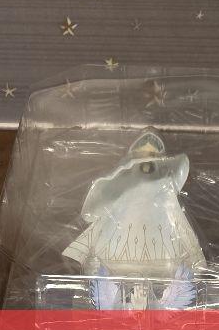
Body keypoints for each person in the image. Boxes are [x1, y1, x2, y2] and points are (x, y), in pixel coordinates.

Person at [62, 130, 205, 310]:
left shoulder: (165, 192)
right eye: (142, 155)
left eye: (152, 156)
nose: (147, 161)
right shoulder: (123, 190)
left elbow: (179, 224)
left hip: (161, 264)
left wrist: (195, 258)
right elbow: (102, 222)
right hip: (117, 261)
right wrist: (87, 257)